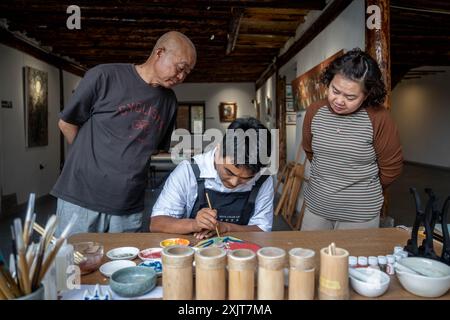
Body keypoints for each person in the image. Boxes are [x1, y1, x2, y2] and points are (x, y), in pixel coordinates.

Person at [51, 31, 196, 235]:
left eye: (187, 73)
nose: (181, 77)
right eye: (180, 68)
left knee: (126, 265)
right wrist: (89, 161)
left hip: (128, 204)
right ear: (159, 53)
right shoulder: (104, 76)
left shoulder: (169, 101)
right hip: (81, 196)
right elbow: (66, 123)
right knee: (74, 263)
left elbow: (153, 150)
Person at [301, 48, 403, 231]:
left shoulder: (379, 118)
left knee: (355, 260)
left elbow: (391, 168)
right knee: (310, 257)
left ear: (367, 94)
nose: (339, 101)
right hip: (316, 208)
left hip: (360, 215)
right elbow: (310, 151)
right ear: (329, 81)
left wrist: (359, 189)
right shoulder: (315, 111)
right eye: (335, 90)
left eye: (350, 97)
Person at [150, 117, 274, 239]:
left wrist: (226, 227)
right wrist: (194, 224)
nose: (234, 182)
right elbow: (157, 223)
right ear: (219, 149)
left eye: (246, 178)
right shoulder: (189, 170)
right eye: (229, 172)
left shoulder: (263, 178)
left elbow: (262, 229)